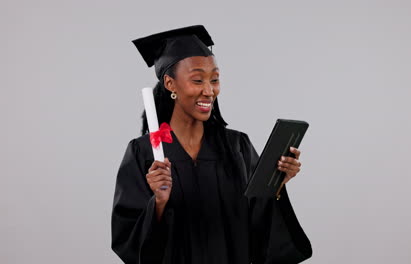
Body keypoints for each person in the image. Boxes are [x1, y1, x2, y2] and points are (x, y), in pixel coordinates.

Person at [111, 25, 312, 264]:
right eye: (197, 80)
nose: (209, 91)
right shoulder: (143, 153)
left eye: (214, 79)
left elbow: (260, 228)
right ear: (170, 84)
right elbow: (129, 241)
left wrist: (276, 184)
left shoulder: (237, 146)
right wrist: (159, 204)